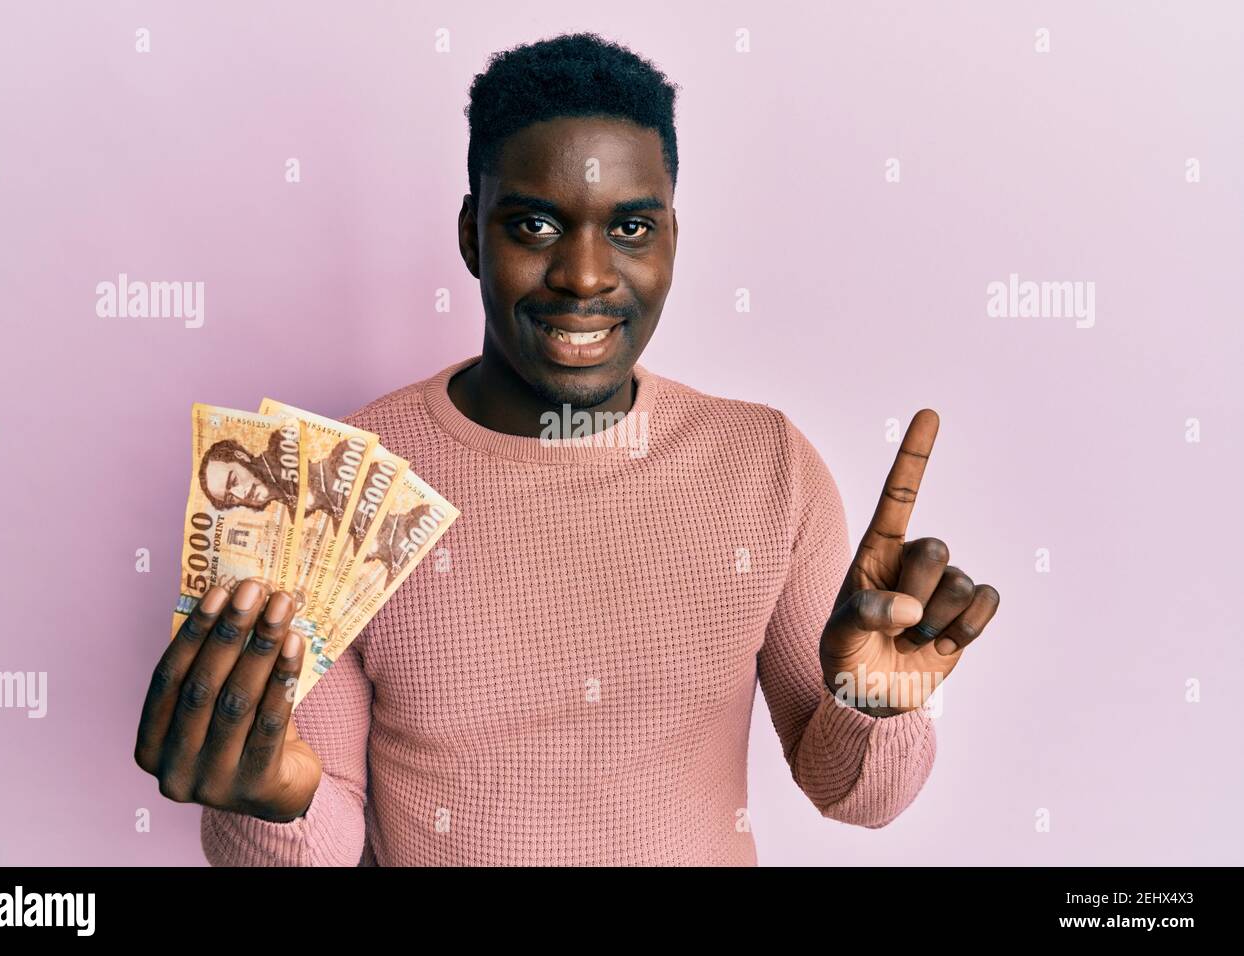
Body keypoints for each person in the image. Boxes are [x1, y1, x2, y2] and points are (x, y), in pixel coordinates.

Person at [135, 32, 1000, 866]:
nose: (584, 277)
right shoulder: (339, 489)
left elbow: (851, 794)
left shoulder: (766, 466)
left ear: (671, 238)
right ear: (473, 234)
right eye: (537, 226)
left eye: (629, 228)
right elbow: (316, 848)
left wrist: (872, 706)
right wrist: (271, 799)